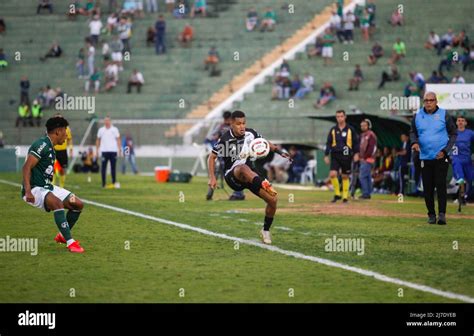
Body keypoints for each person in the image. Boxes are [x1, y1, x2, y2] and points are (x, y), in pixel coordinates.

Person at [208, 110, 291, 244]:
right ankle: (264, 183)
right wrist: (212, 178)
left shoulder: (251, 133)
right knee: (242, 167)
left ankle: (265, 230)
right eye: (238, 124)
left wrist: (279, 151)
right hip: (233, 176)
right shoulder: (225, 139)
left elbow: (264, 142)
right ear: (231, 124)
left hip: (250, 175)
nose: (242, 126)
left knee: (273, 200)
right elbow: (212, 157)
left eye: (244, 123)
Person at [22, 116, 84, 253]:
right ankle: (71, 242)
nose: (67, 135)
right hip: (35, 188)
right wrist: (27, 190)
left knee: (77, 204)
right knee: (57, 203)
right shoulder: (42, 145)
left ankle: (62, 236)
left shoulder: (51, 147)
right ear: (57, 131)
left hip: (47, 187)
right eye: (65, 131)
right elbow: (26, 167)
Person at [410, 92, 457, 225]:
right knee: (428, 188)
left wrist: (445, 151)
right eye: (426, 100)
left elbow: (453, 134)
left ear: (436, 101)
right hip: (425, 157)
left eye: (431, 100)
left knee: (440, 185)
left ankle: (442, 214)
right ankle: (431, 214)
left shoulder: (444, 114)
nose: (428, 103)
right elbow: (412, 131)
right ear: (423, 102)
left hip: (441, 157)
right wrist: (414, 142)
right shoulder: (417, 116)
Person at [324, 110, 360, 203]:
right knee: (332, 174)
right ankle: (337, 194)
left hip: (347, 156)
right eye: (338, 116)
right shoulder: (333, 130)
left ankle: (345, 197)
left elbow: (356, 143)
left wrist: (356, 153)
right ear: (336, 118)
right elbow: (328, 143)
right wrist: (326, 155)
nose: (339, 118)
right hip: (335, 155)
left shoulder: (350, 129)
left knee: (345, 176)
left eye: (341, 116)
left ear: (345, 117)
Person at [451, 115, 474, 204]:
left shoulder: (470, 133)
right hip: (456, 159)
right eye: (459, 120)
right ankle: (460, 193)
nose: (460, 122)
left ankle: (463, 197)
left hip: (467, 160)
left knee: (470, 180)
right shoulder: (453, 133)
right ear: (456, 123)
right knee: (460, 178)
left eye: (462, 120)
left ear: (465, 123)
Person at [96, 116, 122, 188]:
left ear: (110, 121)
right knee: (103, 168)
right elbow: (98, 140)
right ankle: (103, 184)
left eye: (108, 120)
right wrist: (97, 150)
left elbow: (118, 139)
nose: (106, 122)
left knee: (113, 167)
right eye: (105, 121)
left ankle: (114, 182)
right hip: (104, 151)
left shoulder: (115, 129)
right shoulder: (101, 130)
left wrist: (119, 149)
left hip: (113, 151)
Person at [52, 114, 73, 188]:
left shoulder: (67, 129)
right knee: (53, 168)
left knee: (62, 170)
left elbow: (69, 139)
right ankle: (53, 183)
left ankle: (61, 186)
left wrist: (71, 149)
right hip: (54, 150)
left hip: (63, 151)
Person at [358, 119, 377, 199]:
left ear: (368, 126)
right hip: (364, 159)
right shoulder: (362, 135)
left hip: (368, 159)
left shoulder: (371, 135)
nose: (363, 127)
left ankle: (366, 193)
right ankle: (368, 193)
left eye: (364, 125)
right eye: (362, 125)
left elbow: (372, 148)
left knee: (362, 176)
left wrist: (364, 157)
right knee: (367, 176)